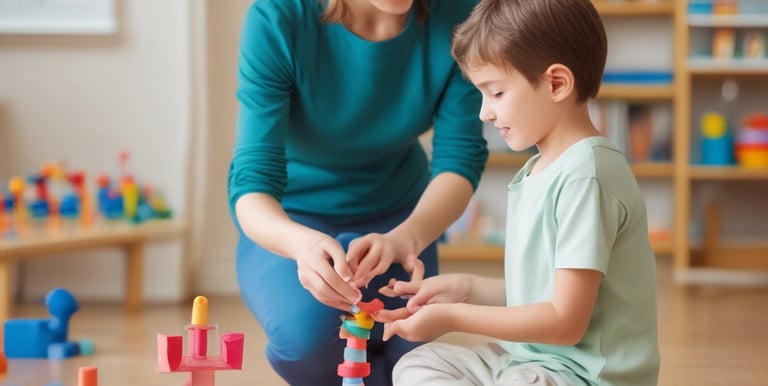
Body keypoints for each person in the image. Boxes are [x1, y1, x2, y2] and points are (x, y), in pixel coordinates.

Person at [373, 0, 661, 385]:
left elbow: (565, 322)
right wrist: (464, 289)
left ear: (556, 83)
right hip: (530, 362)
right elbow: (542, 293)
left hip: (582, 376)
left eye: (496, 93)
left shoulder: (585, 178)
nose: (484, 113)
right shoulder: (542, 169)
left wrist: (454, 318)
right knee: (418, 366)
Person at [227, 0, 488, 385]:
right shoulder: (279, 17)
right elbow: (252, 183)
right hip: (293, 220)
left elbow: (459, 158)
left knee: (410, 349)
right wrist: (301, 245)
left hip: (402, 221)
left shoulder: (463, 15)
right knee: (307, 347)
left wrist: (408, 237)